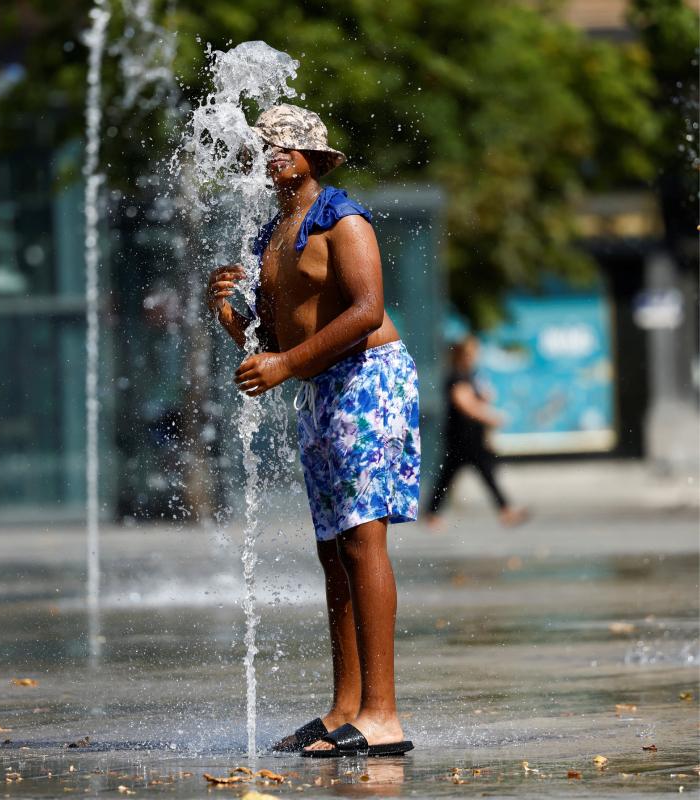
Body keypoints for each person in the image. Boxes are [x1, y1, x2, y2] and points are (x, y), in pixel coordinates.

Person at [207, 104, 419, 757]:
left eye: (281, 147)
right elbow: (274, 339)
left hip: (369, 380)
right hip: (324, 387)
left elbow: (366, 310)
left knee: (361, 540)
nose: (269, 157)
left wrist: (287, 365)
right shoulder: (275, 231)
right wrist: (229, 316)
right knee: (333, 550)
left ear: (310, 159)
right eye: (262, 147)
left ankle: (383, 714)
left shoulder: (342, 219)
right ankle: (345, 707)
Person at [423, 336, 528, 530]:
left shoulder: (471, 375)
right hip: (462, 437)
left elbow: (477, 398)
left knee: (472, 474)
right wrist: (490, 417)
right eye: (471, 353)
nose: (474, 357)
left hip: (472, 437)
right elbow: (465, 404)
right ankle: (431, 513)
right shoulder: (457, 376)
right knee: (452, 475)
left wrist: (485, 397)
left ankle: (432, 513)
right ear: (462, 355)